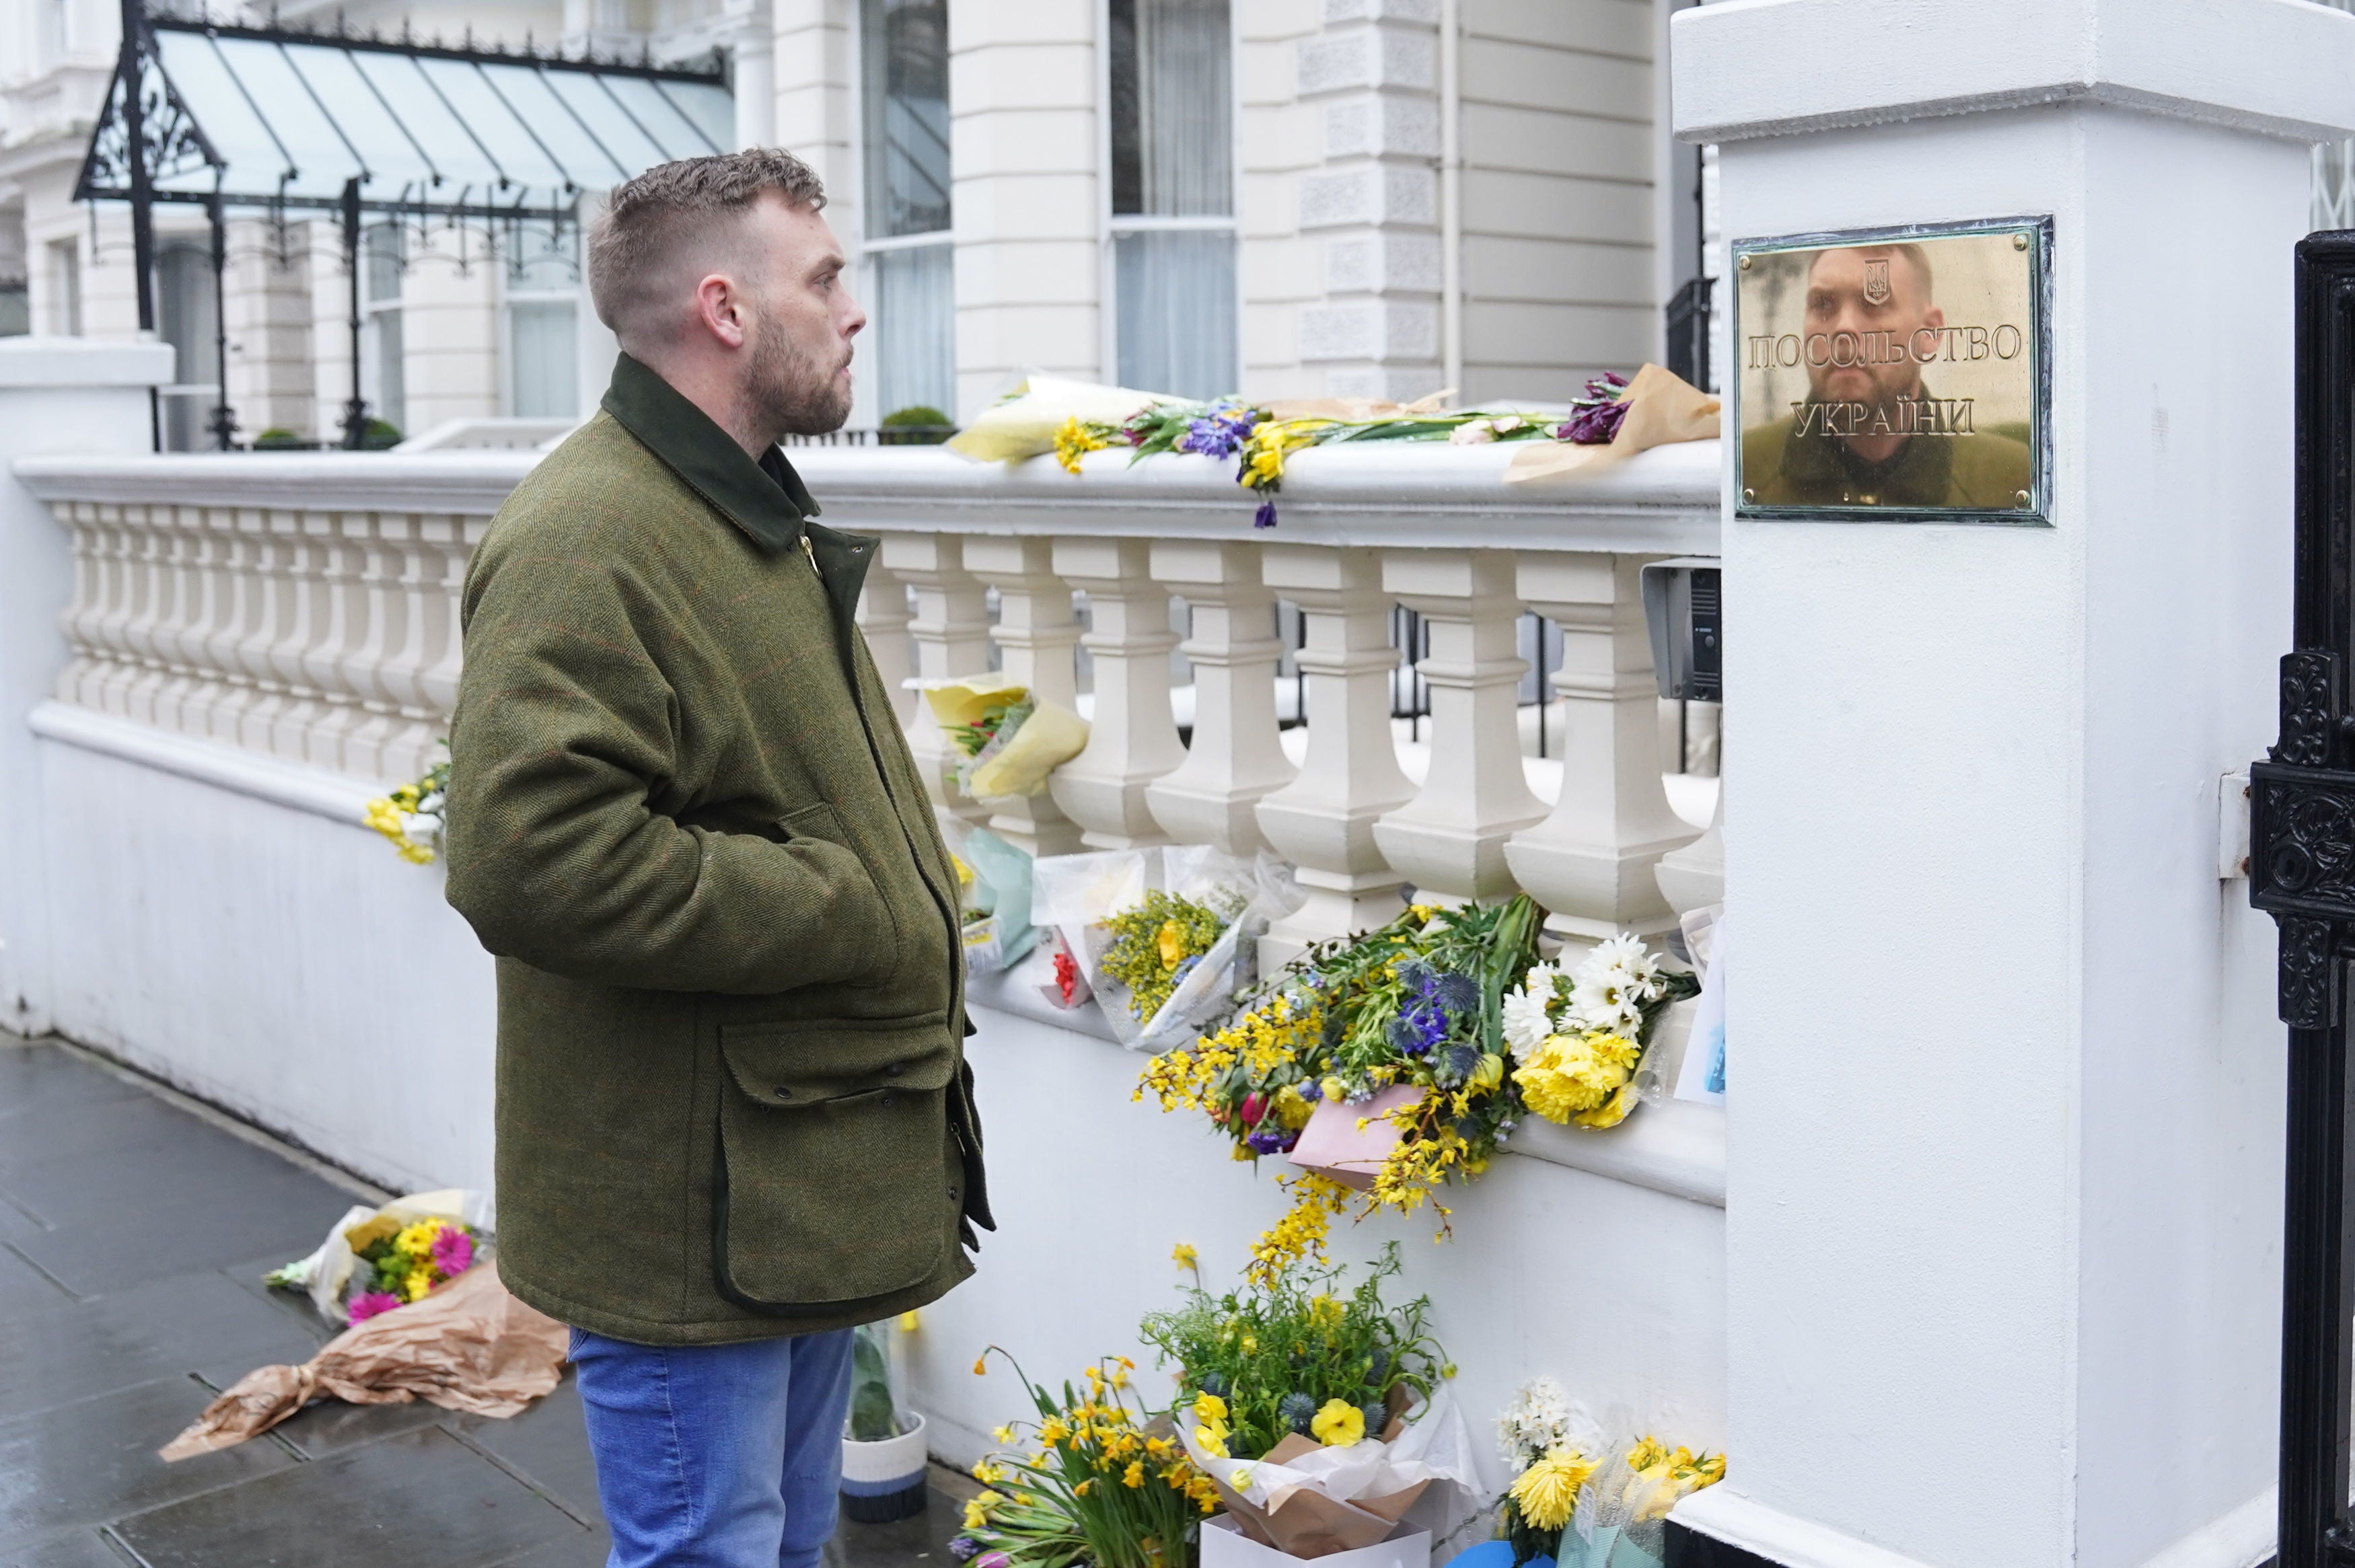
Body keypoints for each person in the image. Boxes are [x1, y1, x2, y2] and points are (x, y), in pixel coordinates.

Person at [441, 148, 989, 1568]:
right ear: (726, 311)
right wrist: (845, 900)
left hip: (783, 1185)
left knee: (782, 1550)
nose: (853, 310)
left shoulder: (733, 509)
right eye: (823, 278)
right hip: (688, 1218)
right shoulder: (592, 531)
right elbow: (528, 855)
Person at [1741, 242, 2033, 508]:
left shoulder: (2011, 480)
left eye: (1873, 303)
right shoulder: (1746, 468)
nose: (1844, 328)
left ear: (1930, 331)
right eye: (1823, 304)